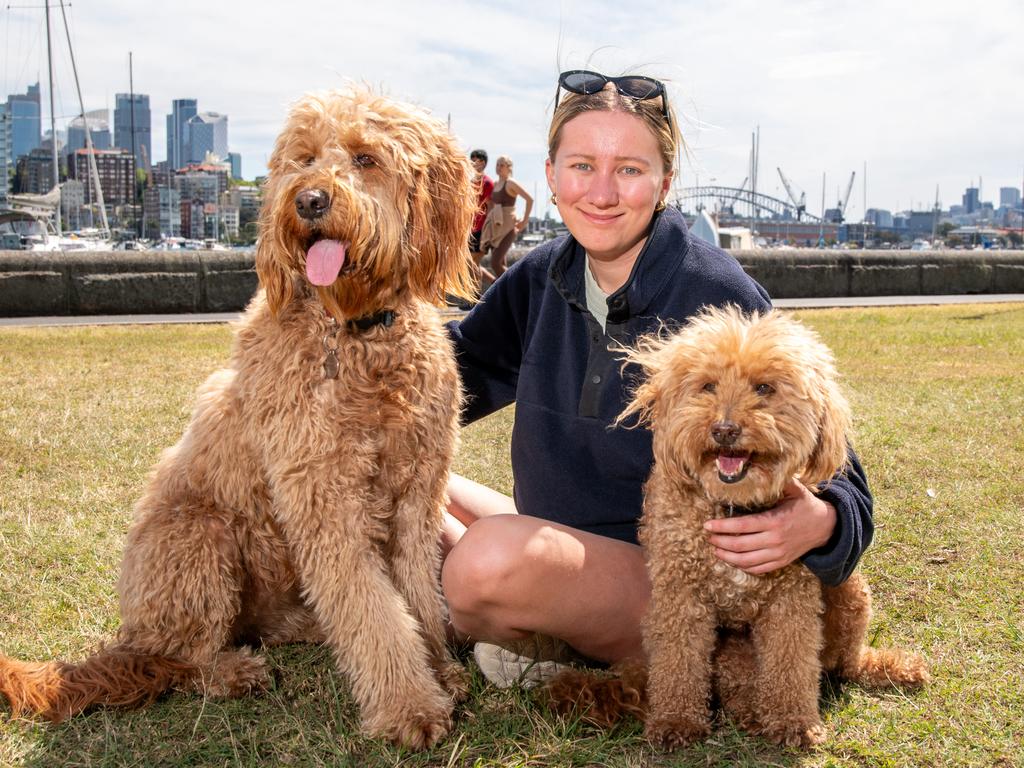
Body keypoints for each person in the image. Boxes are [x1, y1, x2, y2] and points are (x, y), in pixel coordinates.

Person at [441, 70, 873, 687]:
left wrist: (825, 521)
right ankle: (527, 616)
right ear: (552, 176)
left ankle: (682, 661)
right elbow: (443, 379)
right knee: (409, 477)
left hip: (673, 575)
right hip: (560, 542)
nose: (602, 192)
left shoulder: (716, 293)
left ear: (664, 183)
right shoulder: (539, 278)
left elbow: (843, 472)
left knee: (478, 568)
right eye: (582, 166)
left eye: (630, 170)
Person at [478, 155, 534, 279]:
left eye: (502, 165)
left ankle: (518, 289)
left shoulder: (511, 183)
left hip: (509, 228)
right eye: (497, 164)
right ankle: (506, 295)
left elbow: (529, 200)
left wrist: (524, 221)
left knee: (495, 263)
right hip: (497, 227)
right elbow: (490, 204)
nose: (498, 167)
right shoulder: (496, 183)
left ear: (509, 168)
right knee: (501, 264)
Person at [468, 149, 496, 287]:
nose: (473, 163)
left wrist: (487, 231)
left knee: (472, 263)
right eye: (472, 160)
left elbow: (491, 207)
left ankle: (474, 297)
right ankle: (495, 283)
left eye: (476, 160)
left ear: (483, 163)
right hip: (471, 228)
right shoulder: (470, 182)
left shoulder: (487, 183)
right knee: (470, 264)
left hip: (482, 229)